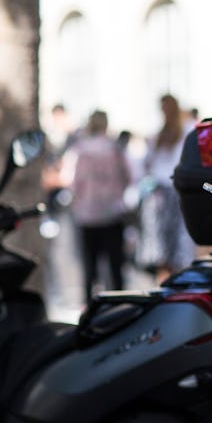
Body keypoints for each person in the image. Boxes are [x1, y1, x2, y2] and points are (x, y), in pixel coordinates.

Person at [64, 110, 131, 303]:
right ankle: (120, 306)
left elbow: (74, 182)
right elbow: (128, 177)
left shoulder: (81, 150)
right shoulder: (115, 149)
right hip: (112, 212)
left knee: (89, 269)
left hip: (87, 214)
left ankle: (89, 308)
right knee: (115, 268)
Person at [135, 93, 196, 283]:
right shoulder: (161, 135)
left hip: (171, 191)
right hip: (163, 192)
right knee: (163, 246)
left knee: (173, 244)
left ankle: (173, 280)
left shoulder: (183, 131)